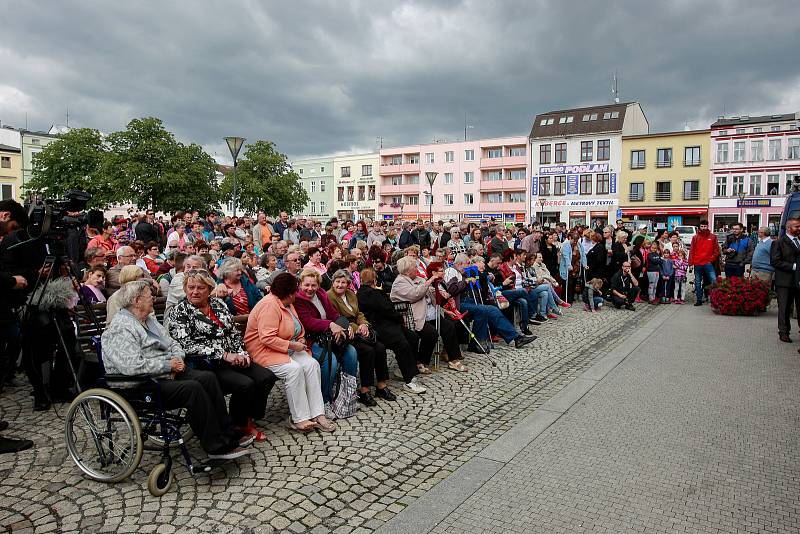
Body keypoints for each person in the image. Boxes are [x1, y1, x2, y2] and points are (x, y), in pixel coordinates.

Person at [102, 280, 252, 460]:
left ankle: (227, 435)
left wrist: (178, 360)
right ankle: (215, 446)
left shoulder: (149, 320)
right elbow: (131, 366)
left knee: (208, 378)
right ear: (136, 301)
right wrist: (167, 365)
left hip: (165, 373)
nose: (153, 299)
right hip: (140, 384)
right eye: (150, 296)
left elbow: (173, 343)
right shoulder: (121, 327)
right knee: (192, 389)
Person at [167, 268, 274, 441]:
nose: (195, 291)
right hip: (207, 363)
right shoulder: (180, 311)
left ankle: (247, 417)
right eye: (191, 287)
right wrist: (224, 355)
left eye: (200, 288)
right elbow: (186, 345)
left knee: (266, 377)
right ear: (185, 288)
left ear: (209, 289)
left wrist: (241, 354)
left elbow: (232, 332)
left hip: (232, 357)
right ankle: (238, 425)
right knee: (244, 384)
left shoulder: (218, 304)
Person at [244, 273, 334, 432]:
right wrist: (292, 345)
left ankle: (318, 414)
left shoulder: (288, 303)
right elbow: (267, 338)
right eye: (296, 289)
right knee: (294, 370)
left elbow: (297, 327)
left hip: (288, 347)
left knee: (312, 365)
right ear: (290, 293)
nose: (298, 291)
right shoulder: (269, 305)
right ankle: (298, 418)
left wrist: (300, 339)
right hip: (265, 351)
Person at [293, 269, 359, 405]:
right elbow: (308, 322)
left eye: (313, 285)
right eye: (307, 285)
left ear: (318, 285)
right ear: (300, 284)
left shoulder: (321, 294)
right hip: (311, 340)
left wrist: (344, 325)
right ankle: (325, 400)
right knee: (330, 360)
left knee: (351, 353)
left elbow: (333, 313)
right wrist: (330, 325)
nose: (310, 289)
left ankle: (346, 395)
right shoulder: (298, 299)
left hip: (329, 336)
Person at [327, 269, 393, 404]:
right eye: (337, 282)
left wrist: (364, 325)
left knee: (380, 347)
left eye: (343, 282)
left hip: (358, 330)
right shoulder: (330, 297)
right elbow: (337, 318)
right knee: (367, 351)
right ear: (333, 283)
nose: (340, 285)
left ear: (348, 284)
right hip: (345, 333)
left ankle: (381, 385)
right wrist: (357, 328)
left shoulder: (351, 294)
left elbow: (359, 314)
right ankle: (364, 390)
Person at [445, 254, 535, 351]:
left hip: (470, 301)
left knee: (490, 310)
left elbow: (480, 277)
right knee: (486, 309)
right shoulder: (451, 271)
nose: (468, 266)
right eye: (467, 264)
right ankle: (478, 343)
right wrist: (466, 281)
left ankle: (515, 338)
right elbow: (452, 289)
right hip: (458, 303)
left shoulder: (463, 272)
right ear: (459, 264)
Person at [357, 268, 425, 393]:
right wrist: (399, 319)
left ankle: (405, 368)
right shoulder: (373, 293)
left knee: (412, 337)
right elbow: (388, 309)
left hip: (388, 325)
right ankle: (409, 379)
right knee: (403, 344)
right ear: (374, 280)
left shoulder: (364, 292)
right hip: (382, 328)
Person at [770, 215, 800, 344]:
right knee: (784, 308)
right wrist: (794, 266)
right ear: (789, 228)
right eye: (796, 226)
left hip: (798, 281)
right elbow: (775, 261)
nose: (799, 228)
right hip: (784, 281)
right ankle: (783, 332)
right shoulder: (778, 242)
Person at [688, 220, 720, 306]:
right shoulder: (695, 237)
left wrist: (711, 259)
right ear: (699, 227)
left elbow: (716, 250)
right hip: (697, 263)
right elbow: (692, 251)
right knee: (698, 282)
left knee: (713, 281)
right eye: (702, 226)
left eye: (705, 226)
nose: (703, 228)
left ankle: (715, 299)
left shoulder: (713, 237)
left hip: (708, 263)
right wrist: (690, 264)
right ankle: (699, 299)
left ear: (707, 226)